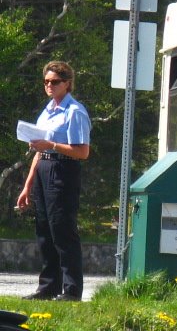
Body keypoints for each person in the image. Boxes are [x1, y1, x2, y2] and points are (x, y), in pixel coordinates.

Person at [16, 61, 91, 301]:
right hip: (43, 167)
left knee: (62, 229)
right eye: (46, 81)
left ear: (67, 83)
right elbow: (39, 150)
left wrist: (52, 145)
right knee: (44, 230)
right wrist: (28, 185)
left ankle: (71, 290)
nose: (49, 85)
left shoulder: (74, 112)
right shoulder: (47, 111)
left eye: (54, 81)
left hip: (63, 169)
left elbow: (82, 152)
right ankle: (49, 286)